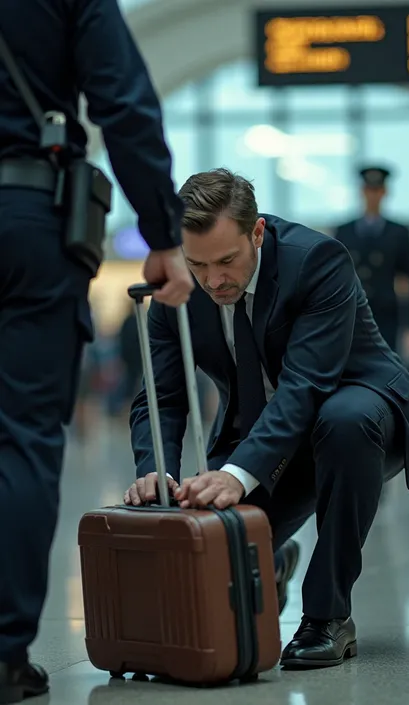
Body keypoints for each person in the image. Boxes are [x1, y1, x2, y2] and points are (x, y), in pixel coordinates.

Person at [124, 168, 409, 670]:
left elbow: (307, 386)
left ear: (257, 232)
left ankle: (327, 616)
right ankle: (272, 554)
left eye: (227, 261)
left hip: (359, 413)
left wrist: (235, 474)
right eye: (198, 264)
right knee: (216, 543)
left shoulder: (316, 260)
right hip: (265, 431)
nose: (213, 281)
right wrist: (155, 470)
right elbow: (159, 395)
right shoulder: (180, 286)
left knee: (342, 419)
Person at [0, 1, 193, 701]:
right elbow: (125, 102)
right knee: (20, 436)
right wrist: (163, 235)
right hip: (26, 216)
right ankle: (3, 653)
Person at [334, 167, 409, 355]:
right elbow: (334, 278)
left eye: (377, 190)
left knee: (386, 366)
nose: (372, 196)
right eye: (369, 190)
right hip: (352, 313)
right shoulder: (344, 232)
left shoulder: (398, 233)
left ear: (384, 193)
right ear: (362, 192)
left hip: (386, 314)